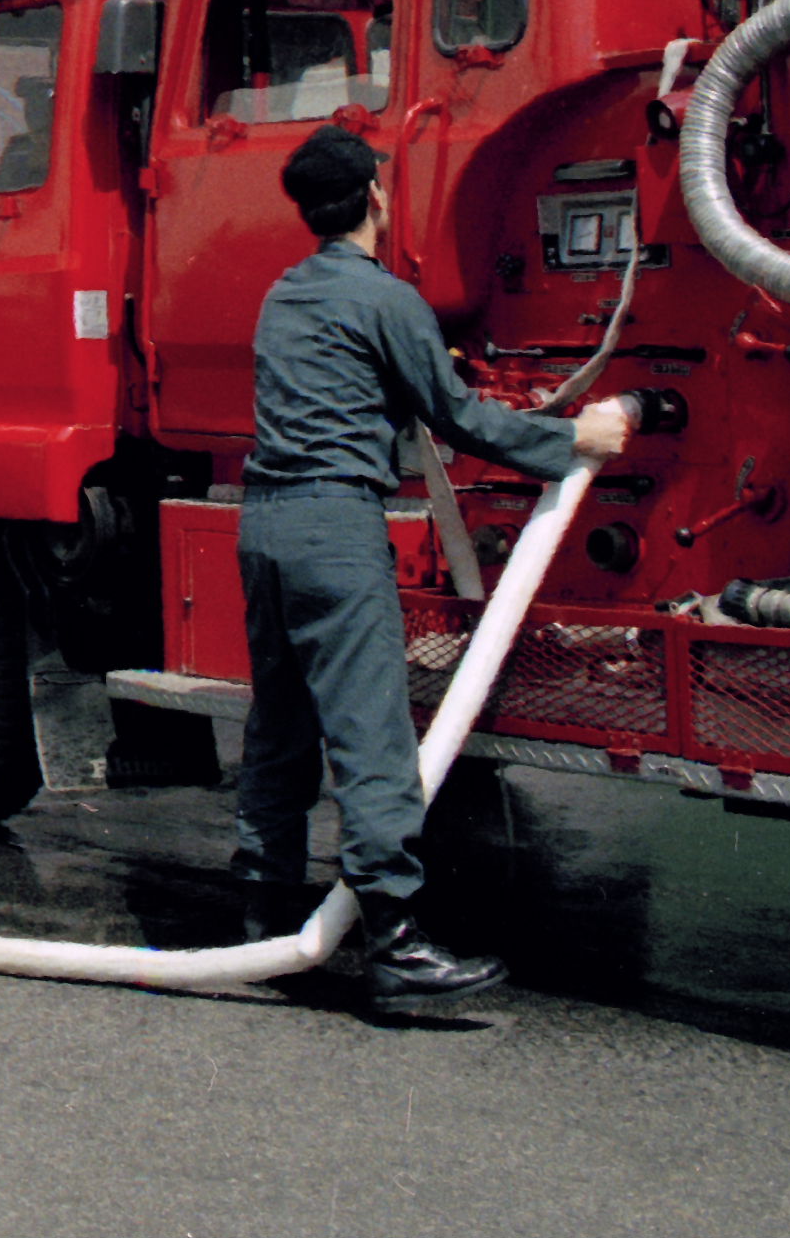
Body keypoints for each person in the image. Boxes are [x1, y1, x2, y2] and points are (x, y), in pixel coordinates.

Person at [233, 126, 629, 1005]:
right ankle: (396, 943)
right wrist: (576, 437)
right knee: (371, 733)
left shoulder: (280, 297)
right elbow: (459, 421)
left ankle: (260, 915)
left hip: (263, 528)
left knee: (281, 723)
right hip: (336, 526)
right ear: (375, 197)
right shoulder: (388, 300)